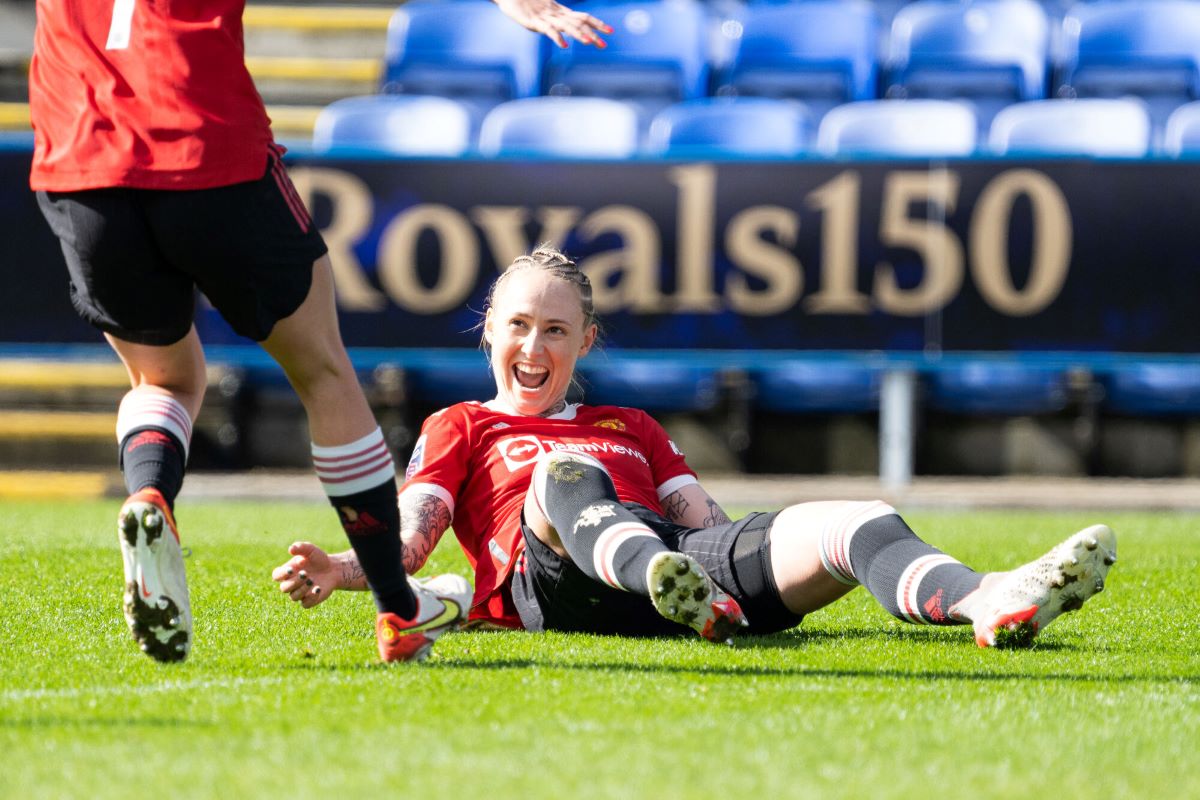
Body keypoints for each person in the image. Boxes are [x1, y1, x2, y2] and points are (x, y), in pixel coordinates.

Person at [27, 1, 612, 664]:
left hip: (80, 162)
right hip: (204, 143)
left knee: (162, 377)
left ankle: (151, 493)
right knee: (323, 372)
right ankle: (399, 608)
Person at [274, 247, 1118, 650]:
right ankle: (666, 585)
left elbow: (701, 519)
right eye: (518, 327)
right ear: (487, 333)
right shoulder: (461, 423)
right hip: (552, 582)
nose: (534, 346)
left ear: (585, 343)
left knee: (857, 519)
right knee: (569, 477)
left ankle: (992, 600)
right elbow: (416, 530)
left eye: (555, 330)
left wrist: (759, 555)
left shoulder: (632, 426)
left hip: (683, 571)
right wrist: (351, 572)